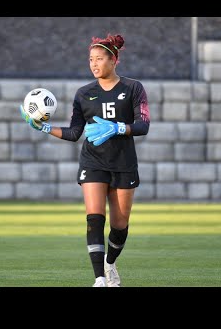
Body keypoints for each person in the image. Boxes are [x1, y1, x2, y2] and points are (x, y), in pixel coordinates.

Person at [20, 33, 150, 287]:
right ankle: (99, 279)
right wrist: (45, 129)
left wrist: (117, 128)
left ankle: (110, 263)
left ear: (114, 60)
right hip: (93, 161)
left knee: (120, 224)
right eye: (91, 59)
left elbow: (143, 125)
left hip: (124, 163)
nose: (94, 64)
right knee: (94, 217)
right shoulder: (83, 94)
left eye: (99, 59)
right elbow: (74, 133)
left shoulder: (134, 88)